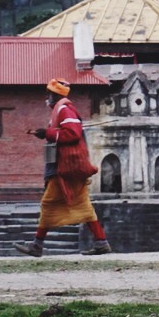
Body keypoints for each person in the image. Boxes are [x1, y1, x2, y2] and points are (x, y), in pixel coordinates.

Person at [15, 78, 112, 257]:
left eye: (49, 94)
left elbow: (72, 134)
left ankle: (37, 245)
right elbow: (66, 132)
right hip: (68, 166)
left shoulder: (64, 109)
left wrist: (49, 133)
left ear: (55, 95)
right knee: (83, 204)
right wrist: (45, 133)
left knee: (48, 203)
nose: (47, 97)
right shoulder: (61, 110)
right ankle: (101, 242)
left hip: (66, 167)